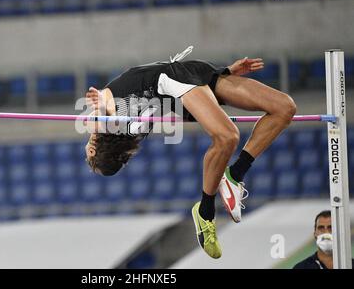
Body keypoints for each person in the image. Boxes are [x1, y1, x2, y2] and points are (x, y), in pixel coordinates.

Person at [84, 46, 296, 259]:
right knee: (227, 137)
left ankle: (234, 175)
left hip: (188, 73)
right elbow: (98, 114)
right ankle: (205, 212)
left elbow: (101, 109)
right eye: (89, 155)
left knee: (284, 107)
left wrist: (227, 71)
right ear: (94, 148)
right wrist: (101, 104)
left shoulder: (118, 123)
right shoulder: (115, 123)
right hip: (176, 84)